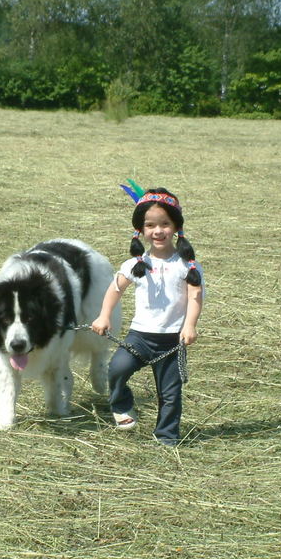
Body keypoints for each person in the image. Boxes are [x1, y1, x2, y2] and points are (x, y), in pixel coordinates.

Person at [91, 185, 204, 446]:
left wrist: (190, 325)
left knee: (170, 394)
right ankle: (121, 406)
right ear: (141, 229)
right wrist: (103, 316)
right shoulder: (135, 264)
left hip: (172, 340)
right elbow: (114, 289)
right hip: (139, 337)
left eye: (165, 224)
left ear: (176, 227)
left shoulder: (188, 265)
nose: (158, 231)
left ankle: (166, 436)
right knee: (117, 368)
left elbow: (195, 297)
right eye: (150, 225)